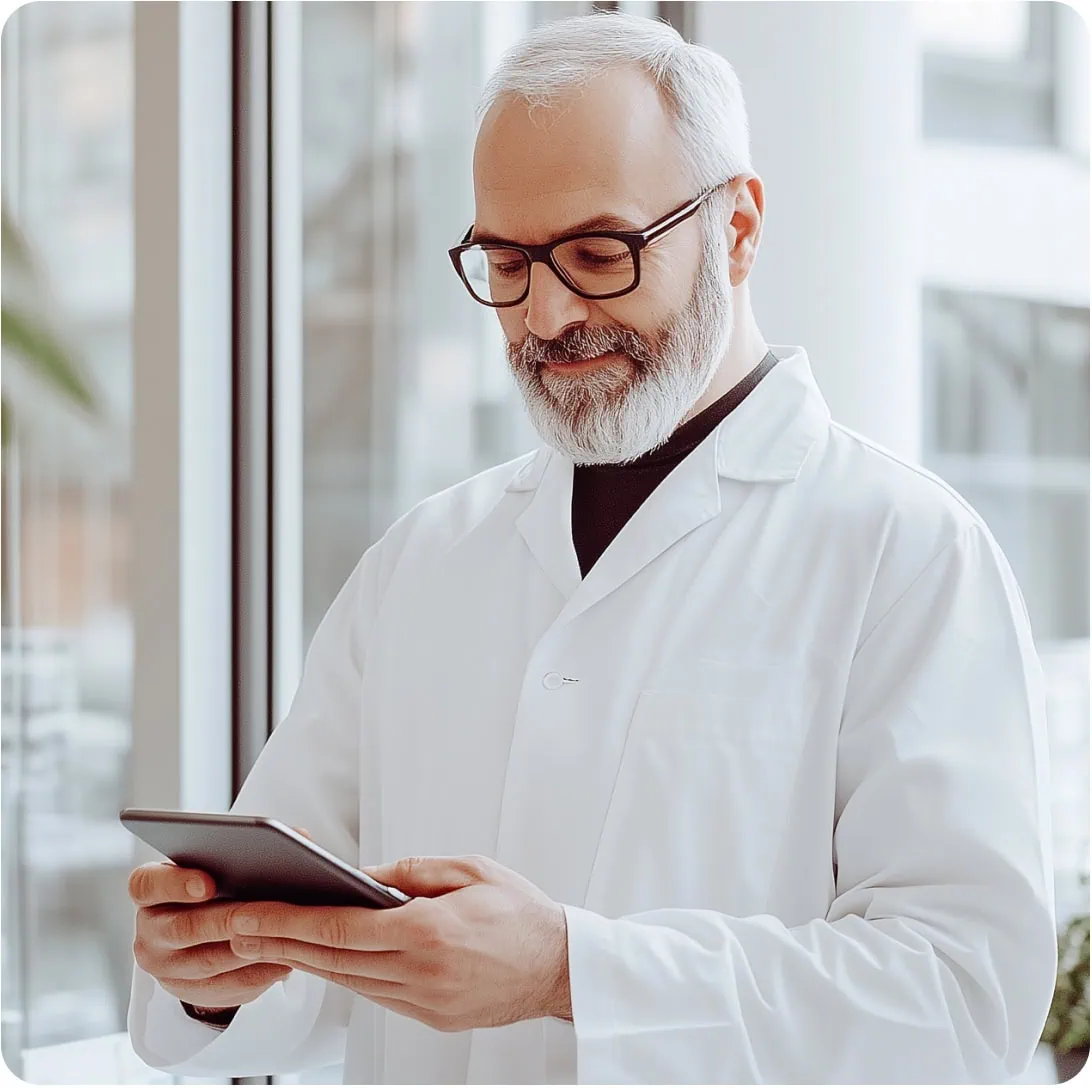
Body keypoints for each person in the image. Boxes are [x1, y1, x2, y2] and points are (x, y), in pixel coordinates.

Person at [126, 12, 1057, 1084]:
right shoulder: (420, 563)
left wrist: (573, 971)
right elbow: (296, 933)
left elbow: (961, 999)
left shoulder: (909, 554)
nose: (549, 313)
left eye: (599, 252)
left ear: (738, 229)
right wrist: (212, 963)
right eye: (508, 262)